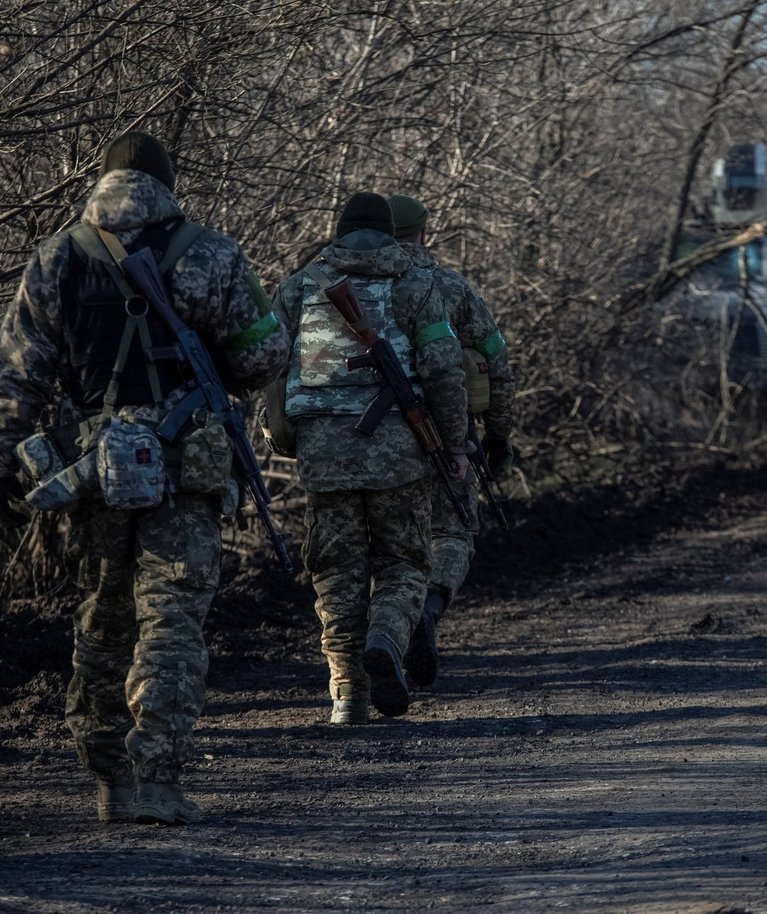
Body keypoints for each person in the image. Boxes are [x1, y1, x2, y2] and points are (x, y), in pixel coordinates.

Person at [0, 131, 290, 824]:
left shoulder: (57, 255)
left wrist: (12, 453)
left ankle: (109, 781)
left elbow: (18, 374)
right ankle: (157, 777)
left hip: (89, 468)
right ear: (167, 183)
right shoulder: (212, 253)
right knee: (172, 620)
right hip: (185, 464)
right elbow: (265, 353)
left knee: (102, 617)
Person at [271, 192, 469, 725]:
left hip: (323, 454)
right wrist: (454, 447)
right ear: (389, 234)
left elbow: (269, 366)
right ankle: (385, 634)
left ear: (338, 231)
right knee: (404, 562)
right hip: (401, 453)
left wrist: (284, 436)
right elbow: (445, 371)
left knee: (336, 572)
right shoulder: (417, 283)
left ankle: (347, 696)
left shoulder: (298, 286)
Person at [388, 194, 515, 688]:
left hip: (362, 440)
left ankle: (383, 636)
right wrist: (500, 436)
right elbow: (496, 364)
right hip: (445, 439)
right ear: (423, 234)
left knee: (384, 547)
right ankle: (431, 605)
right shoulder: (449, 286)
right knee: (452, 533)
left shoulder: (345, 285)